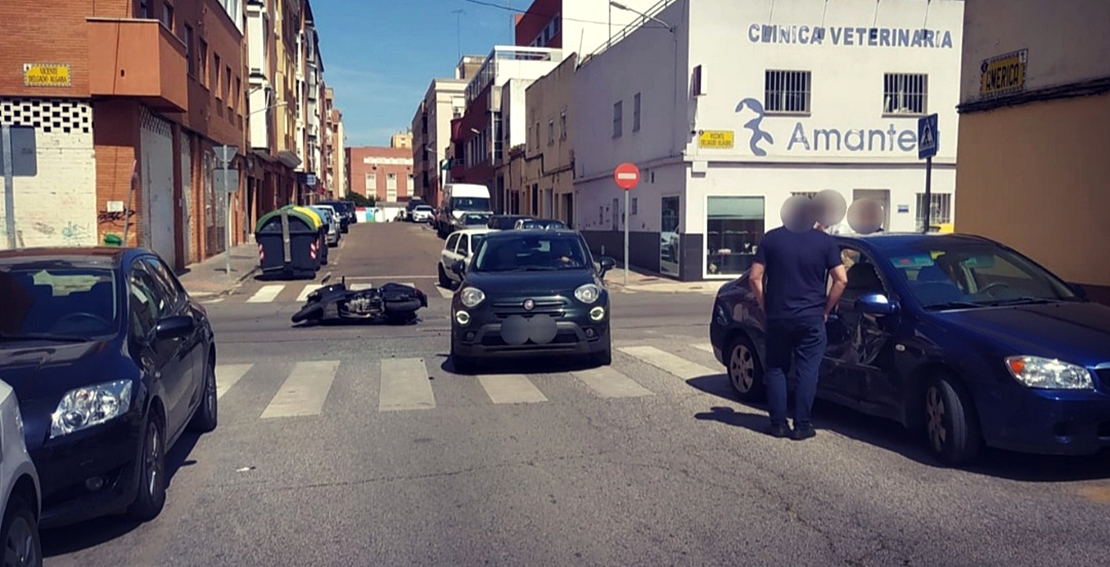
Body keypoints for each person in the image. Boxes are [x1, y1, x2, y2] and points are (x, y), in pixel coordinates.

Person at [749, 200, 848, 440]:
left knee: (776, 368)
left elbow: (754, 278)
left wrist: (765, 306)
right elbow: (842, 279)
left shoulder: (771, 239)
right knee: (807, 370)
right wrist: (826, 309)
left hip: (779, 316)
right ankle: (802, 425)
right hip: (811, 317)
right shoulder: (825, 242)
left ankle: (778, 424)